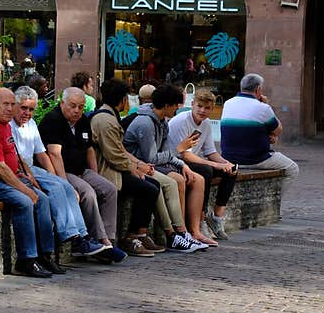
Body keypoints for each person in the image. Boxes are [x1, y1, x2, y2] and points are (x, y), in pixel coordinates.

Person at [0, 88, 60, 278]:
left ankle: (45, 255)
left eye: (12, 104)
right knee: (25, 201)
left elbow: (13, 154)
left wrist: (28, 175)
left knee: (43, 199)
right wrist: (25, 189)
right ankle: (26, 259)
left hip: (6, 178)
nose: (10, 109)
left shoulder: (5, 124)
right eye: (5, 104)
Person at [10, 86, 111, 265]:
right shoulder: (11, 125)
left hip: (33, 167)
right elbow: (24, 159)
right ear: (15, 106)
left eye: (31, 109)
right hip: (20, 169)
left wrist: (53, 176)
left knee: (63, 185)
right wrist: (49, 180)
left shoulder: (31, 124)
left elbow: (42, 154)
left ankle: (83, 237)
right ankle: (71, 235)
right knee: (57, 188)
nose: (27, 113)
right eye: (23, 108)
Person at [38, 87, 128, 262]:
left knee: (109, 188)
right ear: (62, 103)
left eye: (81, 107)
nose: (77, 111)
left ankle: (109, 240)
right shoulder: (53, 120)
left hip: (81, 170)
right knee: (88, 192)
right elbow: (54, 154)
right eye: (73, 106)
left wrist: (95, 174)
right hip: (63, 171)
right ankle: (99, 240)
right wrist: (65, 185)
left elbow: (89, 150)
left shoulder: (83, 121)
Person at [124, 84, 213, 251]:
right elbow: (151, 157)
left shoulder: (161, 122)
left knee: (187, 177)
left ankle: (184, 233)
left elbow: (165, 153)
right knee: (172, 182)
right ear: (166, 105)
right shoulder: (146, 123)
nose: (177, 110)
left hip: (153, 164)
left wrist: (182, 164)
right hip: (139, 165)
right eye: (175, 106)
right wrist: (179, 149)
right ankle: (175, 234)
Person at [89, 79, 165, 258]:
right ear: (122, 100)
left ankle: (141, 234)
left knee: (152, 185)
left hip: (116, 167)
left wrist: (139, 165)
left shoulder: (110, 116)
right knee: (148, 189)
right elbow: (114, 155)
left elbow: (120, 150)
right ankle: (131, 237)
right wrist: (134, 169)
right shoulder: (105, 120)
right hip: (107, 170)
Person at [168, 89, 238, 240]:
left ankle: (217, 217)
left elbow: (210, 151)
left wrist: (225, 163)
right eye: (199, 106)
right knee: (206, 170)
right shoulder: (182, 121)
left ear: (212, 109)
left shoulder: (205, 124)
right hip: (176, 161)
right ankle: (201, 218)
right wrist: (215, 165)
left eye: (207, 108)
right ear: (192, 104)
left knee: (231, 171)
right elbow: (184, 154)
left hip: (192, 160)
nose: (202, 110)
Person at [220, 73, 299, 192]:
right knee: (292, 169)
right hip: (256, 159)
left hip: (228, 158)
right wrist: (265, 105)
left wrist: (269, 134)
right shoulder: (262, 108)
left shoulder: (228, 103)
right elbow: (278, 129)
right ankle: (274, 199)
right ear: (258, 90)